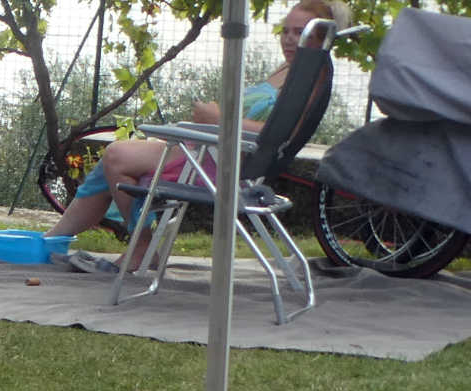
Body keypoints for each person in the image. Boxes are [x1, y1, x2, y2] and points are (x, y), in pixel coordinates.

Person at [48, 0, 348, 273]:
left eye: (300, 32)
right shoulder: (291, 69)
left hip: (224, 164)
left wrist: (218, 119)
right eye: (285, 31)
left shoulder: (310, 76)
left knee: (117, 156)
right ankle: (54, 239)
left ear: (321, 36)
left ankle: (139, 244)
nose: (289, 39)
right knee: (112, 165)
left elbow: (282, 136)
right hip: (214, 150)